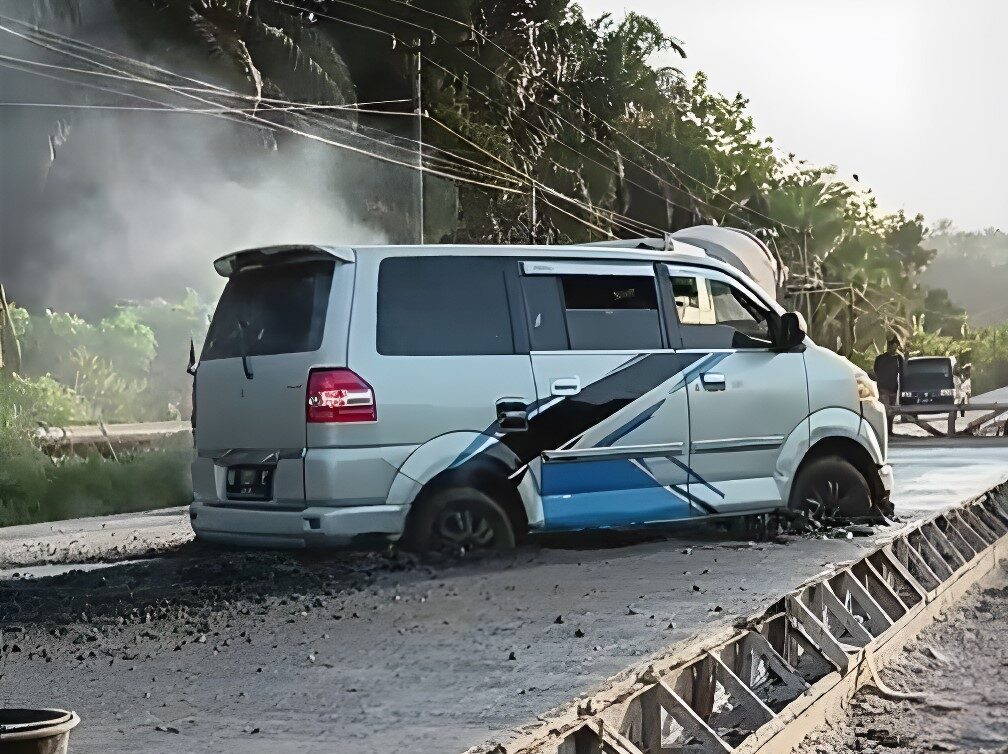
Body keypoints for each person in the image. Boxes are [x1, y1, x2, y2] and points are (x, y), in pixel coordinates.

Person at [873, 337, 904, 432]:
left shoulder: (899, 359)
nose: (894, 349)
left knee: (892, 412)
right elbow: (876, 370)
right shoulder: (880, 358)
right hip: (883, 388)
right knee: (885, 410)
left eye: (896, 347)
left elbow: (902, 371)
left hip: (893, 388)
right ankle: (884, 431)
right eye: (892, 347)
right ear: (888, 346)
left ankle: (889, 431)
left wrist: (906, 358)